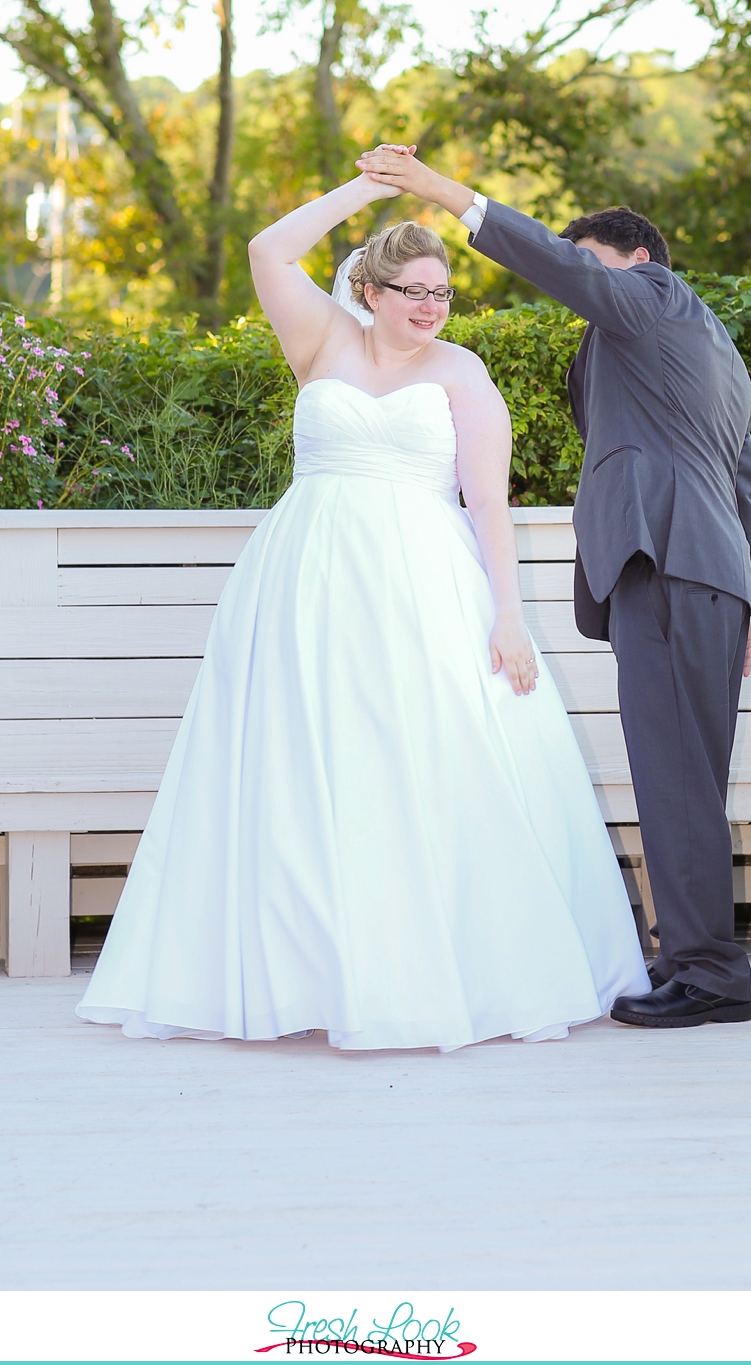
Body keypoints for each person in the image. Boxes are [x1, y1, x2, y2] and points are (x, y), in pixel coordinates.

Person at [76, 170, 648, 1052]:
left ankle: (428, 973)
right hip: (303, 580)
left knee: (417, 755)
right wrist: (365, 185)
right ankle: (301, 973)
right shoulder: (320, 341)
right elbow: (268, 249)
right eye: (413, 291)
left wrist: (508, 616)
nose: (431, 306)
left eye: (443, 292)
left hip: (423, 584)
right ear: (369, 290)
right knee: (295, 764)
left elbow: (488, 504)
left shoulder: (464, 372)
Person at [356, 145, 751, 1030]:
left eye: (593, 266)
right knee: (688, 779)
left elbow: (548, 258)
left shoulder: (656, 303)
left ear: (640, 265)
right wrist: (744, 605)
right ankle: (692, 957)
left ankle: (707, 974)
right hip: (705, 577)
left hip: (667, 567)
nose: (582, 287)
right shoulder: (710, 350)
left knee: (674, 778)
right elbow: (745, 487)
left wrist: (443, 193)